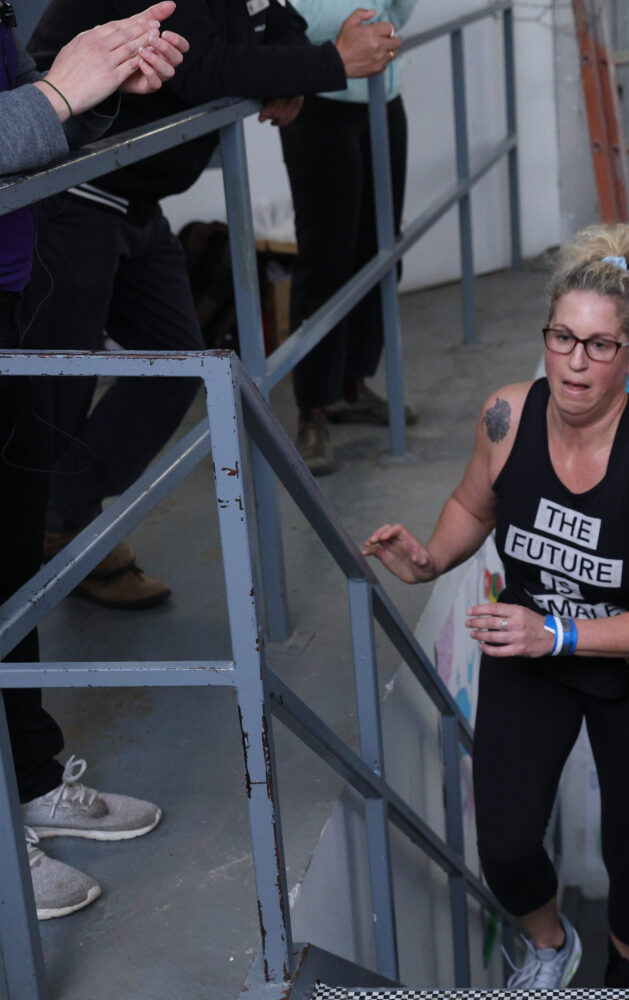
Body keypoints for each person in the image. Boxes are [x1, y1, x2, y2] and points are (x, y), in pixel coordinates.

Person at [363, 225, 629, 988]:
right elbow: (471, 502)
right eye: (563, 338)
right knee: (509, 845)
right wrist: (429, 560)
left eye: (600, 346)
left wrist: (555, 631)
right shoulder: (506, 415)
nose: (577, 363)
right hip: (531, 655)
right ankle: (551, 946)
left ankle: (626, 970)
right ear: (545, 336)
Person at [24, 0, 399, 608]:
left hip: (131, 197)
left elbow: (278, 19)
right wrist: (330, 63)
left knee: (177, 362)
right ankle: (41, 553)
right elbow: (205, 64)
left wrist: (298, 72)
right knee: (55, 397)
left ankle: (59, 518)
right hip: (71, 193)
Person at [2, 0, 188, 920]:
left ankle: (29, 778)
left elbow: (27, 117)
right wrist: (51, 94)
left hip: (7, 290)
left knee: (8, 565)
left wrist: (90, 96)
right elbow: (25, 109)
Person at [281, 0, 419, 476]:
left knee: (381, 251)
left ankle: (351, 385)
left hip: (382, 95)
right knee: (327, 261)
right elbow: (293, 16)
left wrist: (380, 29)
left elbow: (397, 10)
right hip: (318, 99)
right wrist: (352, 38)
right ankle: (313, 406)